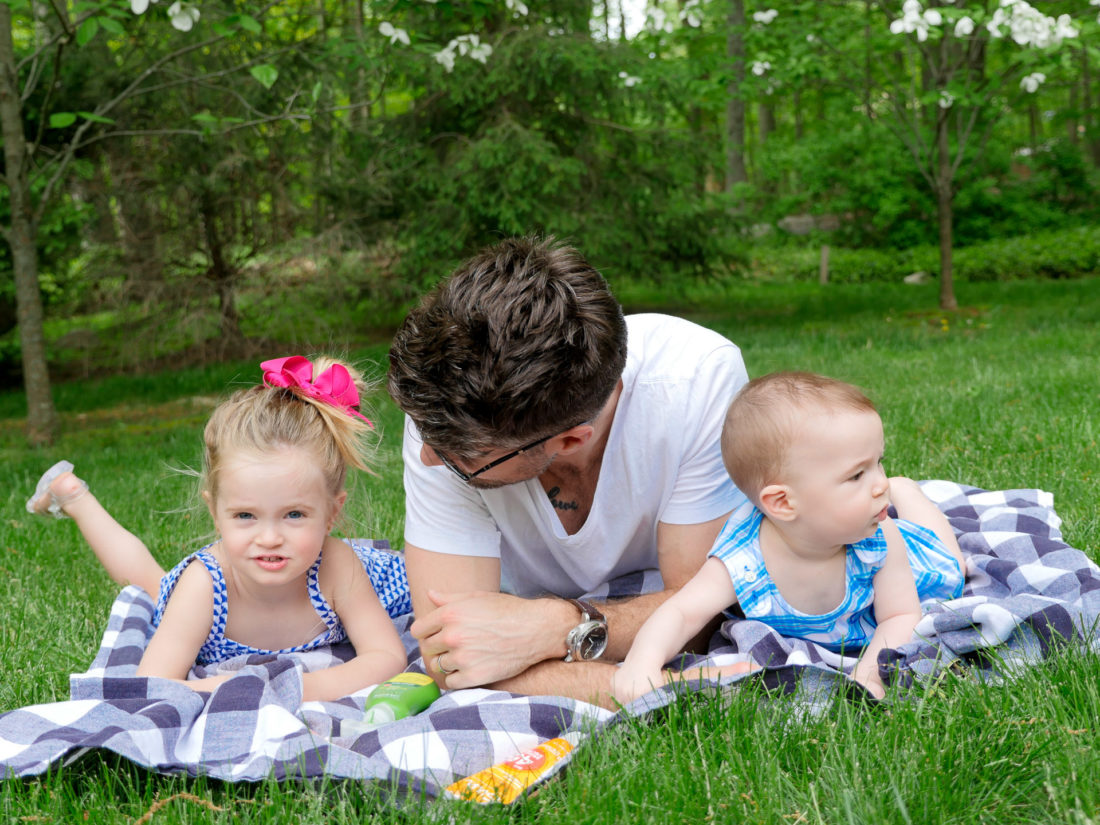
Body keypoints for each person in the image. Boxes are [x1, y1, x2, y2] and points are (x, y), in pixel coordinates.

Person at [387, 236, 754, 702]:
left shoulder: (696, 381)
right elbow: (450, 654)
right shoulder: (447, 413)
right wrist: (638, 688)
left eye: (462, 459)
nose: (429, 459)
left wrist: (558, 626)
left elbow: (702, 616)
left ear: (571, 439)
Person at [26, 355, 410, 703]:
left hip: (377, 580)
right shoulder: (204, 586)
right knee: (153, 587)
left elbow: (387, 657)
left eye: (294, 515)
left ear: (331, 513)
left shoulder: (337, 565)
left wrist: (295, 690)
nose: (270, 537)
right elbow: (153, 686)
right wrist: (228, 690)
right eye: (245, 516)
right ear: (215, 512)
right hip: (201, 591)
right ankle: (74, 496)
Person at [612, 371, 966, 704]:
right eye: (857, 475)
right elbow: (682, 612)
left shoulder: (878, 538)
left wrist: (869, 673)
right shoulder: (744, 559)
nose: (879, 484)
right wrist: (640, 664)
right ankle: (907, 491)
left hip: (916, 564)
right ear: (782, 502)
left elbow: (901, 615)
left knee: (956, 567)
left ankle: (910, 494)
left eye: (879, 463)